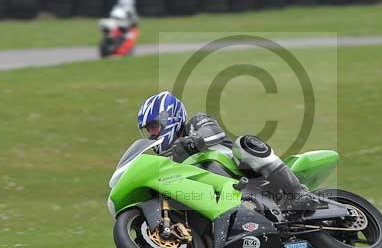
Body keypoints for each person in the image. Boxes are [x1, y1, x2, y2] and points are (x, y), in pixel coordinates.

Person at [136, 91, 324, 215]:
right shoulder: (165, 159)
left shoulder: (196, 122)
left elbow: (212, 133)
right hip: (222, 200)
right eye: (148, 130)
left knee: (243, 143)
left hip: (249, 177)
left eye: (154, 126)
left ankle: (297, 191)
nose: (152, 134)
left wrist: (194, 141)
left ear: (169, 117)